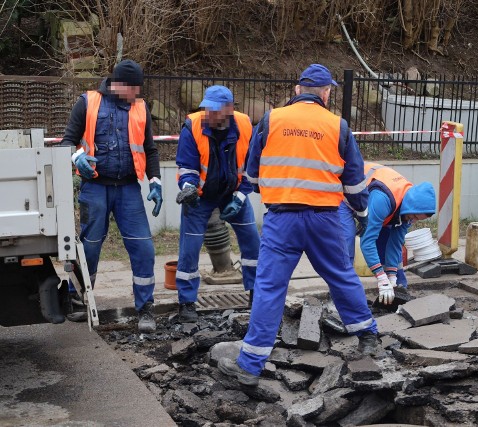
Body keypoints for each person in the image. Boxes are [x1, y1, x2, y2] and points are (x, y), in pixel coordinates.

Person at [217, 64, 377, 386]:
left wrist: (262, 191)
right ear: (327, 93)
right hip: (324, 220)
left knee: (270, 286)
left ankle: (250, 366)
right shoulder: (338, 126)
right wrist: (360, 214)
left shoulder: (272, 119)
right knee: (341, 275)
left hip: (282, 219)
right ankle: (368, 337)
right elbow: (355, 181)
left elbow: (252, 172)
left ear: (297, 90)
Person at [61, 59, 163, 332]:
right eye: (134, 89)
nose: (137, 95)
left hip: (129, 188)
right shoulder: (88, 102)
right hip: (95, 187)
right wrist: (77, 157)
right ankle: (79, 300)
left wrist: (155, 181)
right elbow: (67, 141)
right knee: (90, 246)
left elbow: (150, 150)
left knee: (144, 248)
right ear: (119, 85)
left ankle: (145, 308)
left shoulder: (140, 108)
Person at [174, 85, 260, 323]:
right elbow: (187, 166)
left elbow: (252, 168)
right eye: (206, 109)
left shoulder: (245, 126)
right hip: (200, 197)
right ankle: (187, 303)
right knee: (189, 249)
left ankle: (256, 294)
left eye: (214, 110)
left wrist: (241, 196)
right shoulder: (192, 127)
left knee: (253, 243)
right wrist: (188, 188)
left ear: (230, 110)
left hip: (233, 193)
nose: (208, 115)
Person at [339, 162, 436, 304]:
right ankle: (346, 300)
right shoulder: (383, 199)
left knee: (386, 246)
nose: (413, 221)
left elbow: (395, 244)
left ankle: (398, 290)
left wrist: (392, 276)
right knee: (346, 248)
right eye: (414, 217)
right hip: (345, 197)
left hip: (375, 202)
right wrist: (381, 277)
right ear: (411, 207)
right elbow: (367, 241)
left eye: (417, 219)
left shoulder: (408, 208)